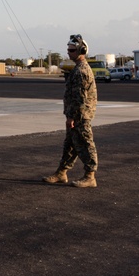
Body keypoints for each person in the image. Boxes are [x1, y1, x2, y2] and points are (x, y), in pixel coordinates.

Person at [44, 34, 98, 188]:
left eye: (72, 50)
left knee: (85, 144)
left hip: (80, 115)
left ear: (82, 50)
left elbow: (79, 98)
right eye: (68, 49)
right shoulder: (77, 68)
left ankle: (90, 176)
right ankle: (61, 172)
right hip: (75, 114)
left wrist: (72, 117)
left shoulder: (81, 71)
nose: (69, 52)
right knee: (70, 144)